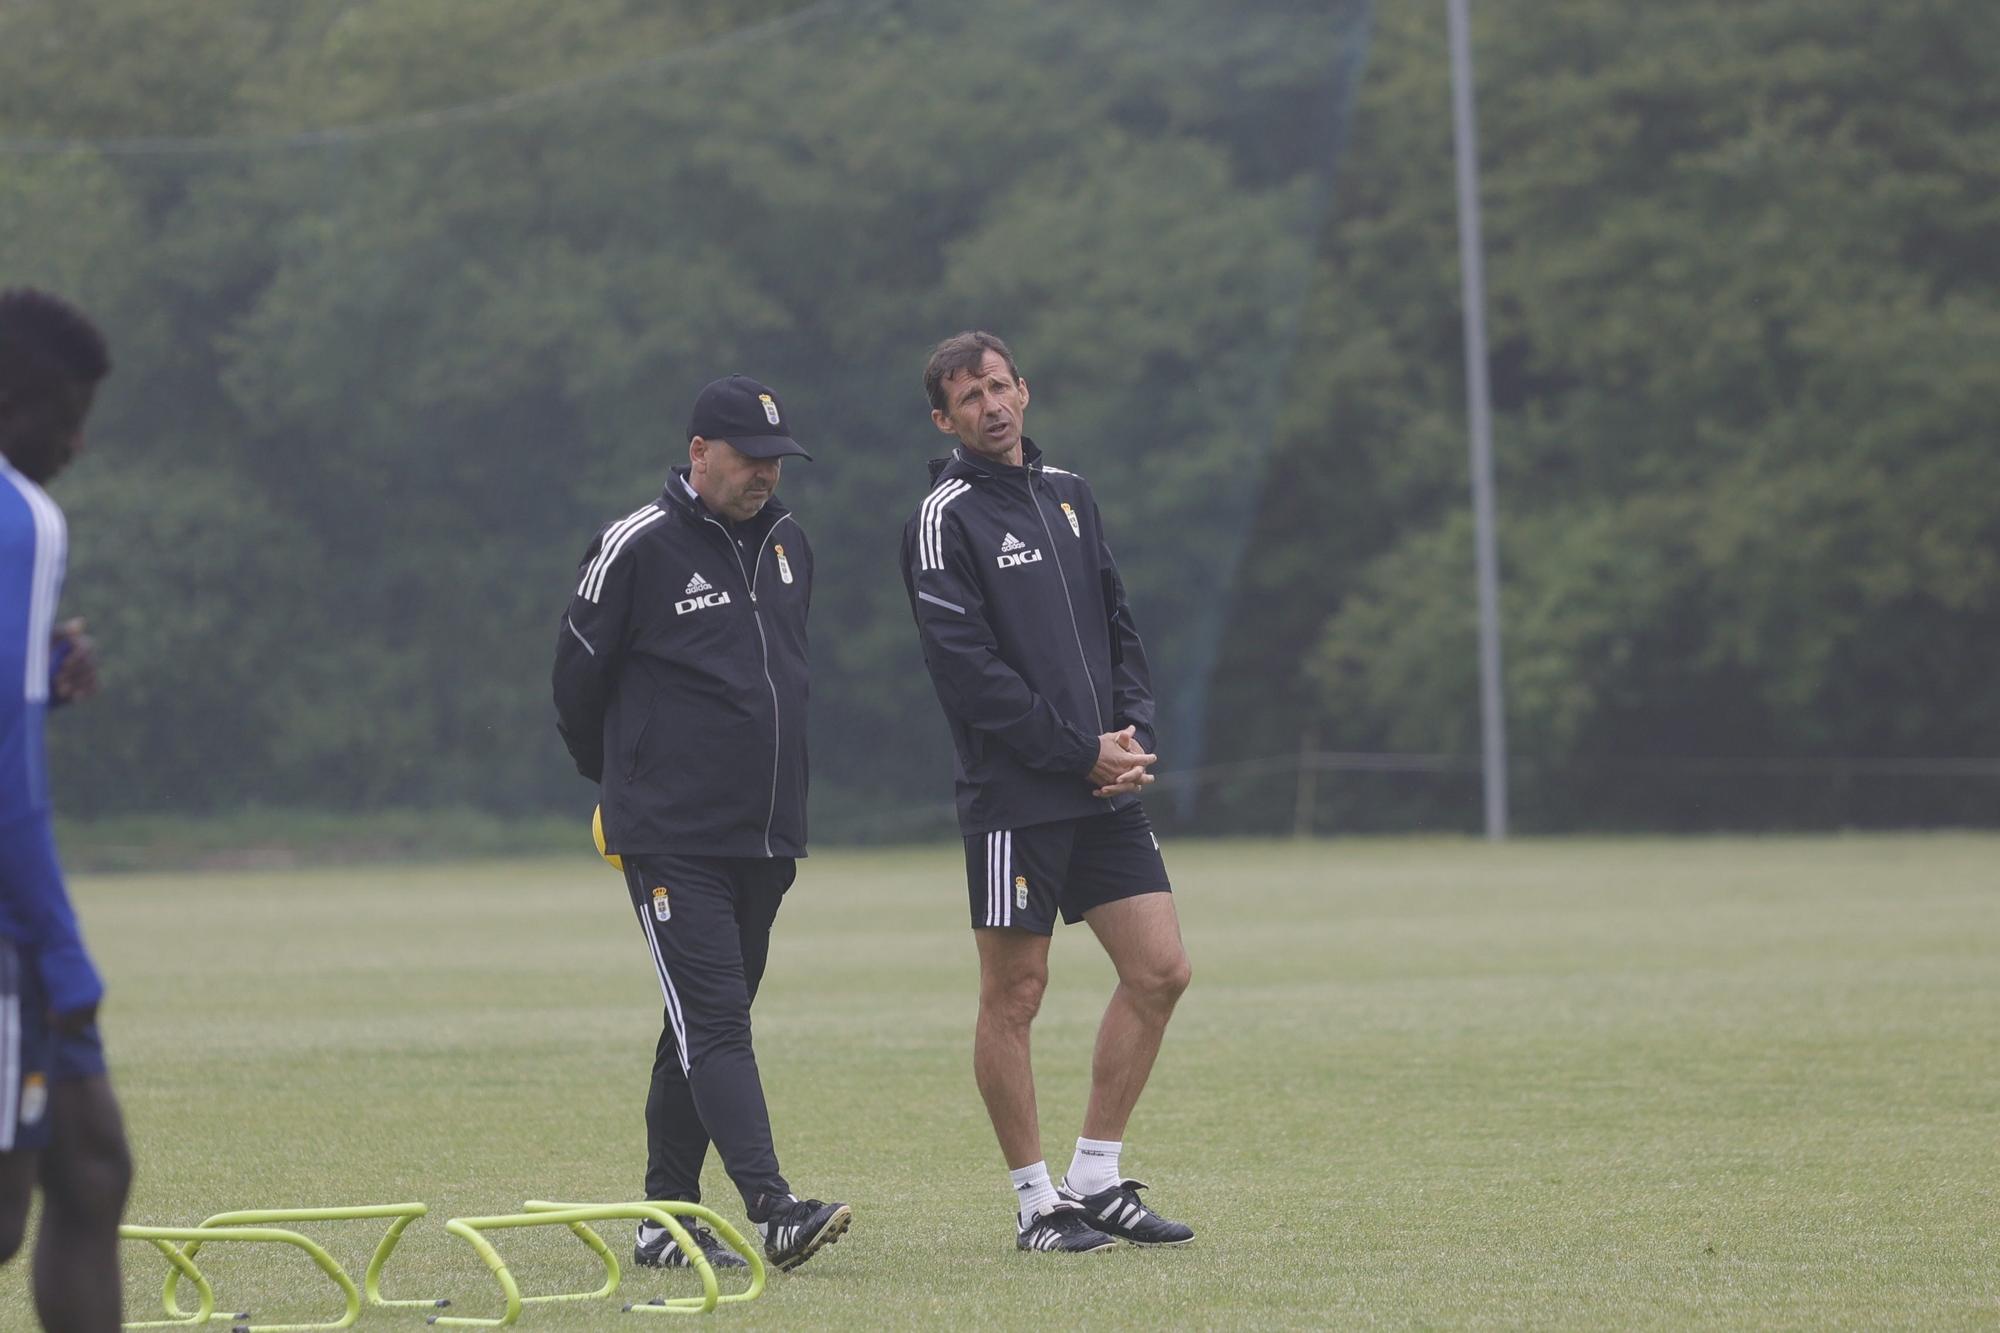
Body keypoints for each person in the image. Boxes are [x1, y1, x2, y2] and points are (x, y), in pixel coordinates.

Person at [900, 331, 1195, 1254]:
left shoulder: (1072, 495)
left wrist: (1134, 731)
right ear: (943, 418)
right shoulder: (942, 516)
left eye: (1000, 386)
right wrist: (1080, 750)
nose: (991, 405)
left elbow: (1118, 620)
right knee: (1015, 995)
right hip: (1016, 797)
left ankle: (1097, 1178)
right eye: (968, 396)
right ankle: (1037, 1205)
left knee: (1160, 970)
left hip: (1101, 783)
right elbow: (968, 674)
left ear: (1024, 390)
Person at [553, 373, 851, 1273]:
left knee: (698, 1023)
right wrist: (624, 785)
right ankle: (773, 1206)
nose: (766, 474)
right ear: (698, 454)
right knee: (717, 1021)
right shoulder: (637, 544)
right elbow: (574, 681)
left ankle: (663, 1221)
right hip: (671, 836)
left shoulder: (791, 541)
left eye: (777, 460)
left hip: (766, 836)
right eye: (751, 459)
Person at [0, 287, 134, 1330]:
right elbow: (10, 776)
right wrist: (64, 952)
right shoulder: (23, 519)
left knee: (90, 1167)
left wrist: (40, 665)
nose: (79, 443)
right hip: (14, 922)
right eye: (65, 415)